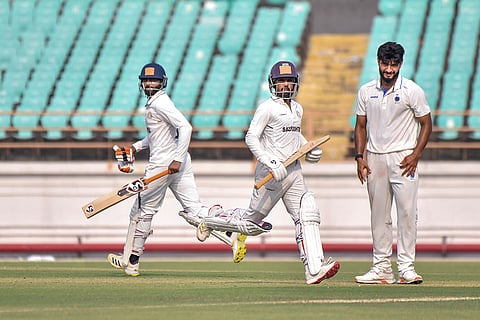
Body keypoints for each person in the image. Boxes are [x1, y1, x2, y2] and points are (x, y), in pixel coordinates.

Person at [197, 61, 340, 285]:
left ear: (296, 83)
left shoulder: (297, 108)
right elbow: (251, 137)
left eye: (289, 81)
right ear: (273, 84)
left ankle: (314, 269)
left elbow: (295, 138)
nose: (285, 85)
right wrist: (269, 161)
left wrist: (309, 149)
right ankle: (211, 218)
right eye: (281, 81)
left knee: (307, 213)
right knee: (251, 223)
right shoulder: (267, 108)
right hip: (271, 174)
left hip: (293, 172)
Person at [107, 63, 247, 276]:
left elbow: (186, 127)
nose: (149, 83)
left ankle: (131, 261)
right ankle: (231, 227)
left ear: (162, 82)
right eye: (146, 80)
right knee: (194, 211)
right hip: (176, 162)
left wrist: (177, 159)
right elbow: (156, 136)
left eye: (153, 80)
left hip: (164, 165)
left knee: (142, 212)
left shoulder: (160, 103)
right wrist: (135, 148)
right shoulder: (156, 103)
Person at [353, 42, 432, 284]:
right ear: (378, 62)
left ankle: (406, 268)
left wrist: (416, 154)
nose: (389, 69)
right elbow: (360, 126)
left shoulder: (412, 90)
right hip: (375, 158)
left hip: (403, 158)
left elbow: (426, 123)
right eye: (385, 63)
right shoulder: (366, 91)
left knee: (407, 213)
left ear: (400, 64)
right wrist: (359, 157)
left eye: (394, 64)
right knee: (378, 215)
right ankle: (382, 268)